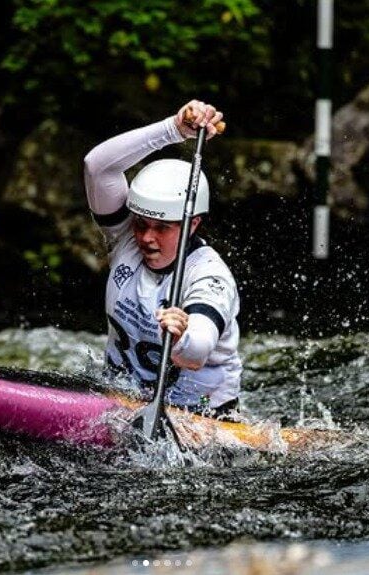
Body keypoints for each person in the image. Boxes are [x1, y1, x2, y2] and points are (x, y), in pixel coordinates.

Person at [83, 100, 242, 419]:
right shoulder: (125, 236)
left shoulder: (210, 276)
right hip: (120, 398)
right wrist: (173, 129)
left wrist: (182, 338)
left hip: (202, 416)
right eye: (141, 223)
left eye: (162, 228)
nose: (146, 237)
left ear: (193, 223)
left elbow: (196, 353)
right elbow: (97, 166)